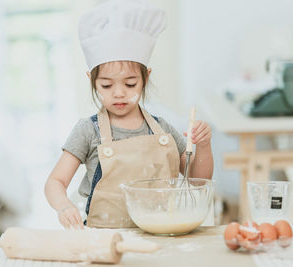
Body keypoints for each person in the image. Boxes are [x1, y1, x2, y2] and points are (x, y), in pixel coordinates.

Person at [44, 0, 213, 229]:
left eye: (130, 83)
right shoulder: (87, 130)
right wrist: (64, 206)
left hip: (162, 233)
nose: (119, 93)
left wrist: (203, 145)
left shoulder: (163, 130)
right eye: (106, 86)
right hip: (103, 236)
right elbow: (55, 181)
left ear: (146, 78)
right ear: (92, 82)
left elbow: (196, 179)